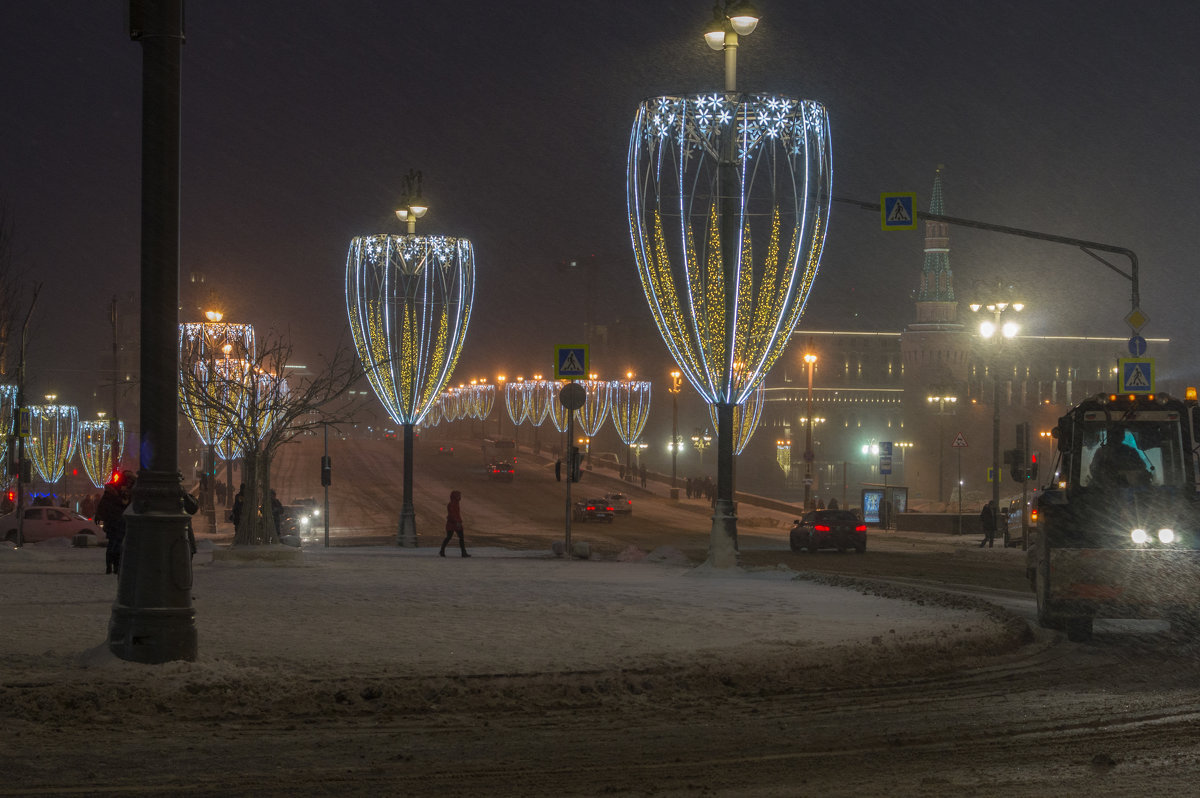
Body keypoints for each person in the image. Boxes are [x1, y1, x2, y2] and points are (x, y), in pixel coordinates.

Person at [96, 471, 135, 574]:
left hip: (115, 521)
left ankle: (112, 566)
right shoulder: (126, 492)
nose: (130, 483)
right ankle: (114, 566)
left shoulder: (115, 491)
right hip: (116, 521)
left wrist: (99, 515)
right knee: (116, 544)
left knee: (114, 544)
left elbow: (102, 505)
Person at [440, 489, 469, 558]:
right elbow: (453, 514)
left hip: (452, 523)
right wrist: (457, 522)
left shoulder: (454, 503)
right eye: (458, 495)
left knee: (449, 537)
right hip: (454, 523)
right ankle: (463, 552)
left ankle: (442, 550)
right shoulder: (453, 504)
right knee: (460, 538)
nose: (460, 497)